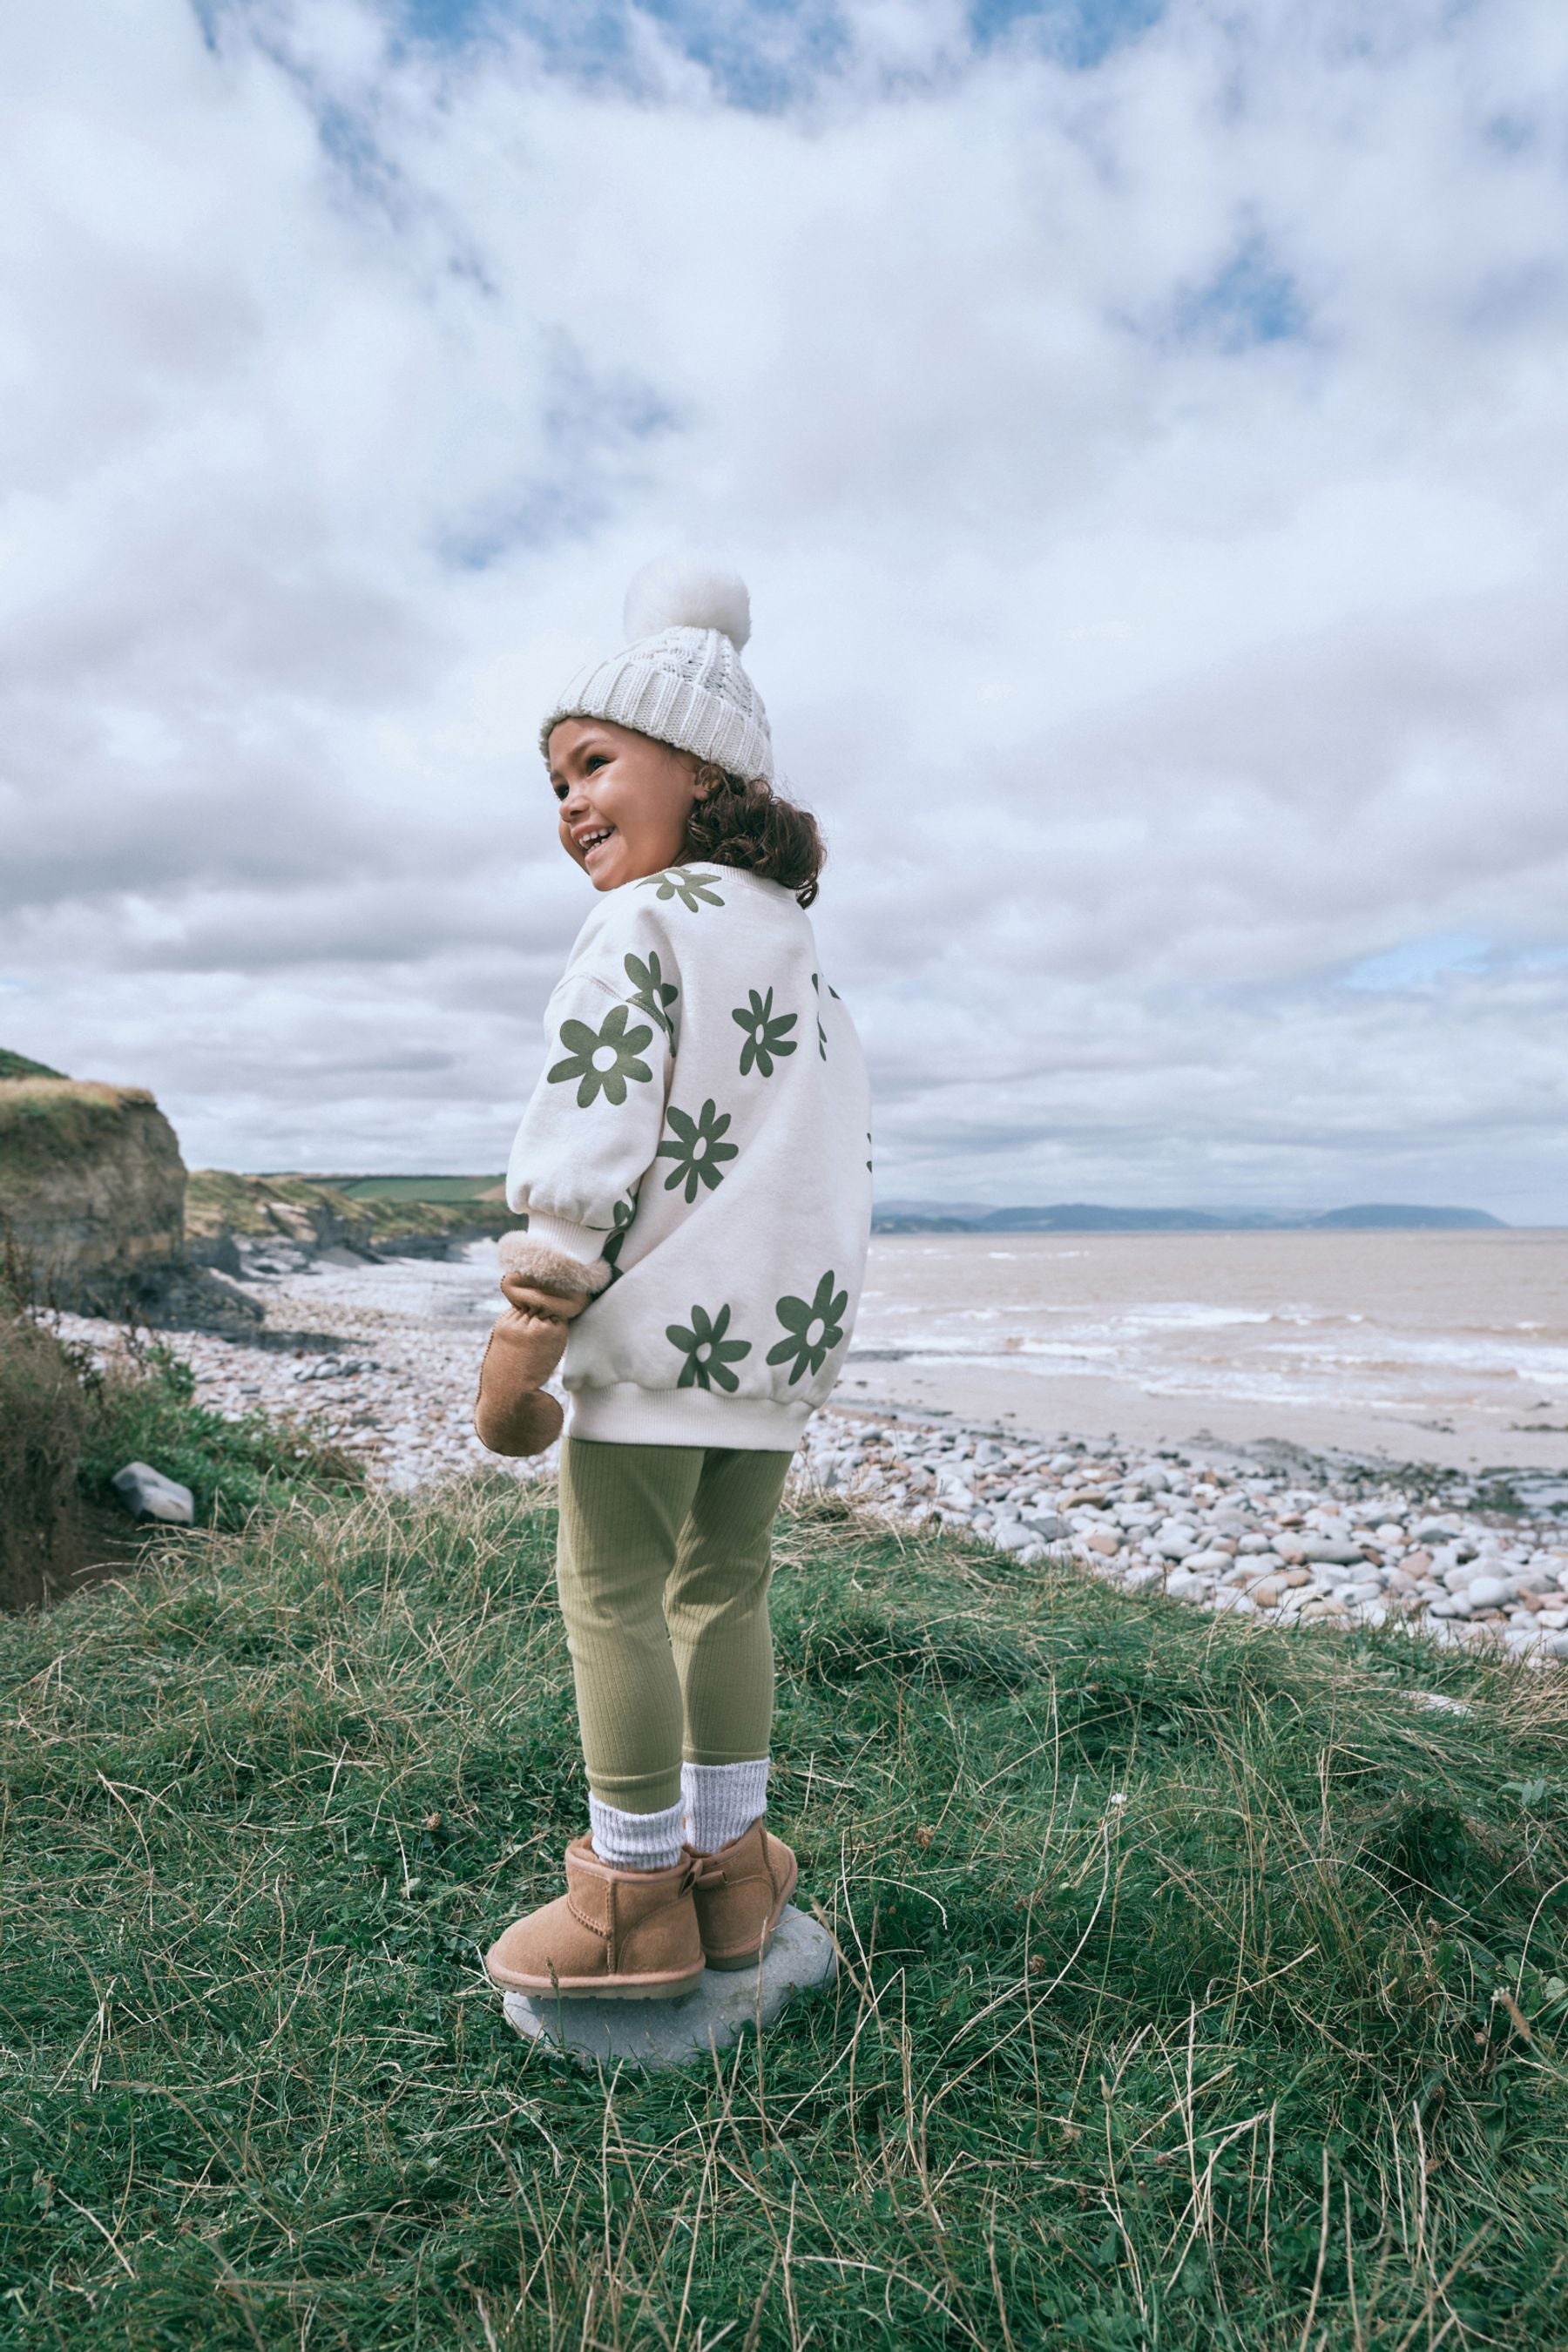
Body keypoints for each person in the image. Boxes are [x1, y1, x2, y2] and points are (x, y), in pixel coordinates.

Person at [476, 559, 873, 2000]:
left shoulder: (639, 929)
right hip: (772, 1350)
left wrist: (525, 1339)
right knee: (729, 1592)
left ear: (701, 769)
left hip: (648, 1348)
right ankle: (735, 1871)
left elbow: (592, 1137)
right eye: (557, 783)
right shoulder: (804, 957)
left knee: (614, 1597)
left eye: (594, 764)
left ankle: (633, 1895)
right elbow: (827, 1162)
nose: (570, 804)